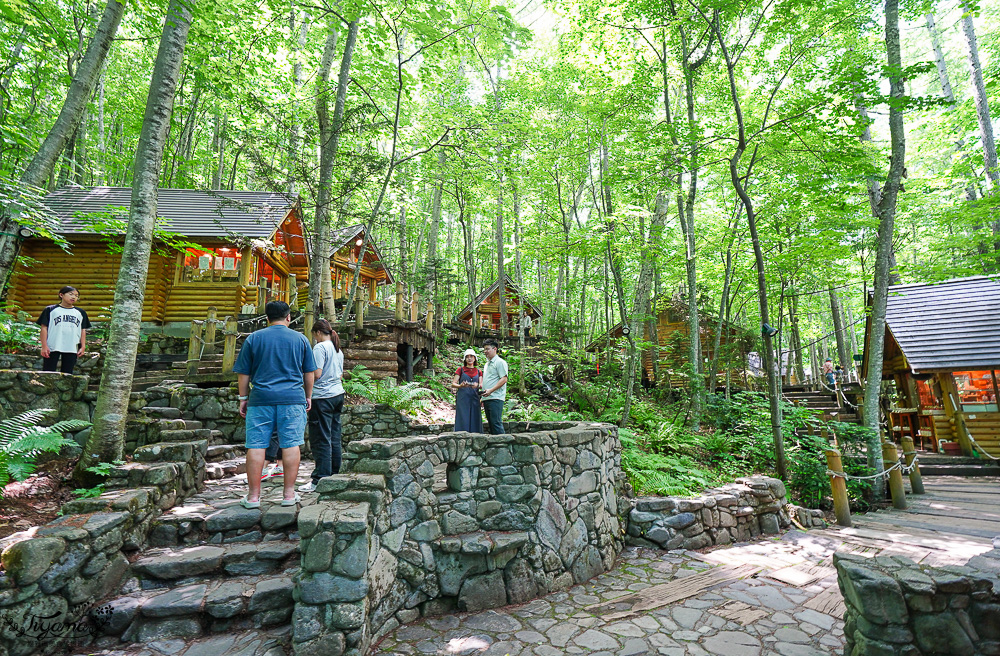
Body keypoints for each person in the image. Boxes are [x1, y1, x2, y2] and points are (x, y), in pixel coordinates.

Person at [233, 300, 317, 508]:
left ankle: (253, 497)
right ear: (288, 317)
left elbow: (244, 373)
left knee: (256, 445)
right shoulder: (301, 340)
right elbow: (309, 373)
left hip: (260, 399)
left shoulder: (254, 338)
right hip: (292, 399)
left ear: (267, 318)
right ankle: (289, 495)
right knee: (290, 444)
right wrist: (308, 396)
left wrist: (243, 398)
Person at [300, 319, 345, 494]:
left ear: (318, 332)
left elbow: (316, 373)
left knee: (320, 437)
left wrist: (306, 391)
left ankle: (320, 479)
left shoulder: (320, 348)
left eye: (314, 335)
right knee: (334, 435)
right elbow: (340, 375)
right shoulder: (336, 348)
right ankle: (334, 472)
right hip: (337, 394)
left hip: (322, 397)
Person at [37, 286, 91, 374]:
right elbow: (44, 327)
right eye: (71, 294)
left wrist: (83, 346)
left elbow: (83, 330)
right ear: (61, 295)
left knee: (68, 374)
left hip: (72, 346)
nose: (74, 297)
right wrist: (44, 345)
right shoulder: (50, 310)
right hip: (52, 345)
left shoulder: (80, 312)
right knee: (48, 372)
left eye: (76, 296)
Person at [480, 338, 508, 434]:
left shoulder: (500, 362)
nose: (485, 351)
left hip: (496, 397)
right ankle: (495, 446)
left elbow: (504, 379)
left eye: (487, 349)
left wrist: (491, 390)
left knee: (496, 422)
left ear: (495, 349)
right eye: (484, 349)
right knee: (491, 423)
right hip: (487, 398)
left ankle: (503, 446)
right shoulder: (487, 364)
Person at [452, 348, 483, 433]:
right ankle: (461, 434)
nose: (469, 358)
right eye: (467, 357)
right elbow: (453, 383)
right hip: (463, 396)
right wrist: (460, 385)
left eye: (471, 356)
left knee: (475, 415)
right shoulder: (460, 370)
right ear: (465, 359)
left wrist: (478, 386)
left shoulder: (478, 371)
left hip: (475, 396)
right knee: (463, 415)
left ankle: (476, 434)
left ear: (475, 358)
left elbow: (481, 385)